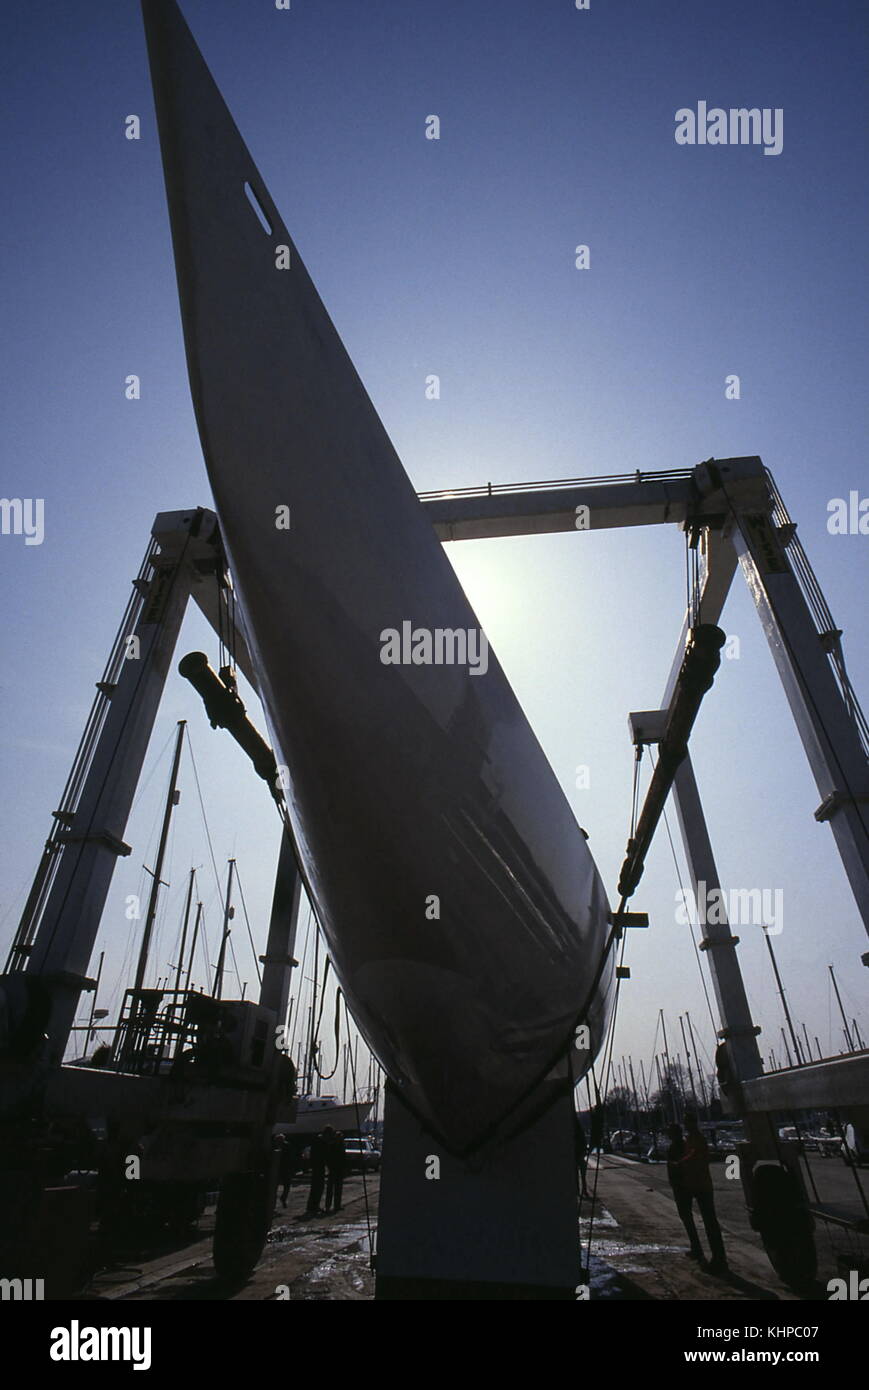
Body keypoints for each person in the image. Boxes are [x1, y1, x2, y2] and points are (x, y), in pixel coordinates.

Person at [674, 1111, 728, 1275]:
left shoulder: (696, 1139)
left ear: (692, 1123)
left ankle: (719, 1259)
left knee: (710, 1222)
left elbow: (693, 1156)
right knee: (706, 1220)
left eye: (688, 1122)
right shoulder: (691, 1138)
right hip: (696, 1184)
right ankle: (705, 1252)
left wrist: (679, 1164)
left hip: (701, 1186)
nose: (686, 1125)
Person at [666, 1122, 703, 1261]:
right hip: (685, 1183)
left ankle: (696, 1246)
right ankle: (696, 1246)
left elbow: (676, 1165)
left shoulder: (675, 1147)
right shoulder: (685, 1145)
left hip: (681, 1185)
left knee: (686, 1216)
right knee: (687, 1217)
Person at [324, 1127, 346, 1213]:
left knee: (336, 1188)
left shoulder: (336, 1146)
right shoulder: (335, 1146)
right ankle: (330, 1206)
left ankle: (335, 1205)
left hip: (337, 1169)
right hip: (334, 1169)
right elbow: (329, 1158)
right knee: (333, 1188)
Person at [306, 1129, 328, 1215]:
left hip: (317, 1167)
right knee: (318, 1187)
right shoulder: (320, 1143)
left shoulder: (316, 1142)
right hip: (318, 1167)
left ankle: (313, 1205)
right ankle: (314, 1206)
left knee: (317, 1187)